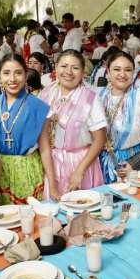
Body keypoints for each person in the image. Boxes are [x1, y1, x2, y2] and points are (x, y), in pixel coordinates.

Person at [0, 53, 56, 203]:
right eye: (6, 73)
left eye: (18, 73)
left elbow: (45, 149)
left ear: (26, 76)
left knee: (28, 220)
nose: (12, 79)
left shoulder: (37, 107)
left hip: (27, 171)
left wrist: (52, 184)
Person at [39, 50, 106, 199]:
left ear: (83, 72)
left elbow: (100, 139)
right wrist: (51, 180)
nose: (68, 72)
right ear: (56, 68)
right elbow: (43, 139)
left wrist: (79, 171)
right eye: (64, 66)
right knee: (55, 214)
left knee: (82, 211)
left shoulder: (90, 98)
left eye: (75, 68)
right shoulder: (46, 94)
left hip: (82, 162)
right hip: (53, 162)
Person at [98, 51, 140, 183]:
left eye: (128, 70)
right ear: (108, 72)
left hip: (134, 161)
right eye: (116, 69)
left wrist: (135, 162)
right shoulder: (98, 98)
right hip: (104, 163)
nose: (122, 74)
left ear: (133, 73)